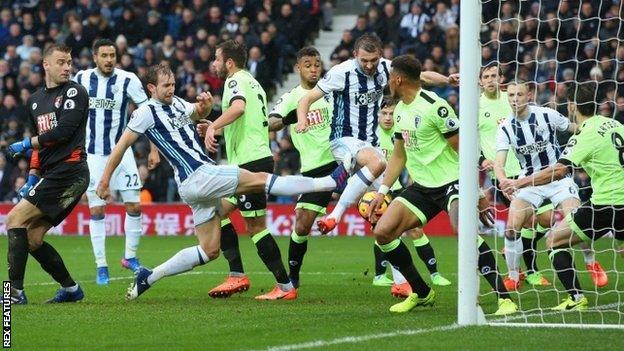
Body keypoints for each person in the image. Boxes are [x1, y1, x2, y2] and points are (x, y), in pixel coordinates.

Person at [95, 63, 348, 300]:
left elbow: (197, 113)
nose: (171, 89)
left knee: (209, 250)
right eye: (165, 86)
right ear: (151, 88)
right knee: (260, 180)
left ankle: (149, 277)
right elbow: (121, 146)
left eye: (172, 84)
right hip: (199, 175)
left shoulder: (177, 103)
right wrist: (105, 180)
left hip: (194, 185)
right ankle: (330, 182)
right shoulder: (145, 113)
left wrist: (204, 106)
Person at [368, 55, 516, 315]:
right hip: (422, 186)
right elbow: (399, 156)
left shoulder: (435, 106)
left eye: (390, 76)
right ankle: (422, 292)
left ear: (398, 79)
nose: (388, 81)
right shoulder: (400, 110)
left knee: (465, 231)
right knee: (383, 232)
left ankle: (504, 297)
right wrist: (382, 191)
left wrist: (478, 193)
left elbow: (464, 150)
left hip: (452, 181)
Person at [295, 33, 456, 234]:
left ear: (380, 55)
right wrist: (302, 120)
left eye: (374, 60)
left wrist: (448, 80)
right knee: (378, 163)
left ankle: (401, 265)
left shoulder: (386, 68)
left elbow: (421, 76)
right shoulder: (341, 73)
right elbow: (306, 99)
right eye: (364, 61)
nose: (370, 65)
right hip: (343, 140)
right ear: (355, 55)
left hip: (370, 144)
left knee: (391, 213)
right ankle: (334, 216)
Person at [203, 40, 318, 300]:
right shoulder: (252, 82)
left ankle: (284, 287)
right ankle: (236, 276)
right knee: (215, 211)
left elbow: (238, 108)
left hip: (250, 163)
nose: (214, 64)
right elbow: (246, 120)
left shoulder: (234, 82)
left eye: (217, 59)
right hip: (249, 161)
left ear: (229, 63)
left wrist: (213, 127)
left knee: (255, 227)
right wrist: (215, 126)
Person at [501, 83, 624, 310]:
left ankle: (576, 298)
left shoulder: (585, 134)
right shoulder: (616, 124)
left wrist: (518, 182)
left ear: (572, 106)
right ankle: (516, 273)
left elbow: (558, 171)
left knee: (554, 241)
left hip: (607, 204)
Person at [7, 44, 89, 304]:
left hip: (71, 171)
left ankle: (15, 294)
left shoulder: (75, 92)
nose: (67, 67)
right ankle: (71, 290)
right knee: (32, 239)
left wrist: (24, 143)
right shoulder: (34, 101)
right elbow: (41, 146)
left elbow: (62, 132)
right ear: (46, 65)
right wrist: (32, 175)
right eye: (61, 62)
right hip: (53, 174)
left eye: (69, 62)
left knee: (14, 218)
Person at [74, 38, 160, 285]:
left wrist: (154, 149)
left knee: (134, 206)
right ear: (95, 57)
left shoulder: (128, 79)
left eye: (112, 55)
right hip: (92, 155)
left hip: (122, 154)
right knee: (97, 210)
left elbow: (148, 113)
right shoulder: (81, 79)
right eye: (104, 55)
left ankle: (130, 258)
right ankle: (101, 265)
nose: (109, 59)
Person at [266, 46, 337, 288]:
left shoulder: (331, 90)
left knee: (380, 215)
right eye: (308, 65)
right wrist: (289, 118)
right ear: (298, 68)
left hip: (341, 162)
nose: (314, 69)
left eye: (317, 64)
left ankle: (398, 279)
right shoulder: (292, 98)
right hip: (313, 170)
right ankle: (292, 281)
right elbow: (271, 122)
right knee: (302, 225)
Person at [478, 63, 554, 287]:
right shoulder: (475, 106)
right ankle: (527, 272)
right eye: (486, 76)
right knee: (527, 221)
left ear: (501, 78)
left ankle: (513, 252)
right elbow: (466, 142)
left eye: (494, 75)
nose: (491, 80)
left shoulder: (512, 98)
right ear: (480, 81)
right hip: (504, 176)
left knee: (546, 219)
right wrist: (481, 160)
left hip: (531, 170)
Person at [373, 98, 451, 297]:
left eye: (391, 113)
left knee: (412, 230)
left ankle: (433, 274)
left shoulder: (404, 129)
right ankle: (385, 276)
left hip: (399, 188)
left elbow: (409, 159)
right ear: (378, 115)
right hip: (376, 190)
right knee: (385, 232)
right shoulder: (371, 137)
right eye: (385, 114)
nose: (389, 118)